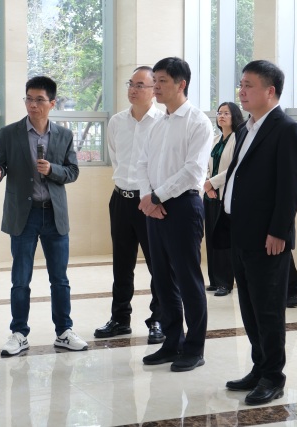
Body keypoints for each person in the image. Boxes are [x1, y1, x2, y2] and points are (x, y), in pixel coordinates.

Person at [222, 60, 297, 405]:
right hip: (241, 232)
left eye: (249, 85)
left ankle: (273, 376)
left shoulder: (286, 129)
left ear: (270, 91)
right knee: (249, 307)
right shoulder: (247, 127)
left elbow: (291, 186)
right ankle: (259, 368)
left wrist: (279, 231)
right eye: (241, 84)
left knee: (269, 310)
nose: (241, 92)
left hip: (267, 238)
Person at [0, 76, 88, 357]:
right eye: (29, 99)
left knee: (60, 279)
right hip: (24, 215)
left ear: (52, 103)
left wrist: (52, 170)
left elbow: (72, 172)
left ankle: (64, 331)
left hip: (54, 215)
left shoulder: (64, 135)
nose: (33, 105)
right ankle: (19, 333)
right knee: (20, 279)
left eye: (39, 100)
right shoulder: (10, 133)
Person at [136, 57, 213, 372]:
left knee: (187, 279)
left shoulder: (198, 122)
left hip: (183, 206)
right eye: (154, 80)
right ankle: (171, 342)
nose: (155, 86)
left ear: (182, 84)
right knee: (162, 279)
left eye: (162, 81)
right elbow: (142, 163)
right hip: (154, 207)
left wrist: (157, 196)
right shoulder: (157, 123)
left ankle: (194, 348)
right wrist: (148, 197)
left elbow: (193, 170)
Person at [93, 66, 165, 344]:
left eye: (140, 85)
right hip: (120, 199)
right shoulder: (117, 122)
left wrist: (152, 196)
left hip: (148, 202)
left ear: (154, 90)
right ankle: (120, 319)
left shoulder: (162, 122)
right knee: (121, 264)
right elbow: (116, 158)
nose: (133, 90)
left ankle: (158, 319)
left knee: (158, 265)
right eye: (131, 84)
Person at [203, 101, 244, 297]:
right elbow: (205, 165)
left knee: (223, 241)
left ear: (234, 116)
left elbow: (235, 168)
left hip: (226, 195)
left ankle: (225, 282)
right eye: (219, 113)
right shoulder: (216, 139)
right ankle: (214, 280)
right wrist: (207, 185)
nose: (221, 116)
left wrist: (212, 183)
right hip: (210, 195)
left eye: (226, 113)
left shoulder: (238, 139)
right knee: (211, 238)